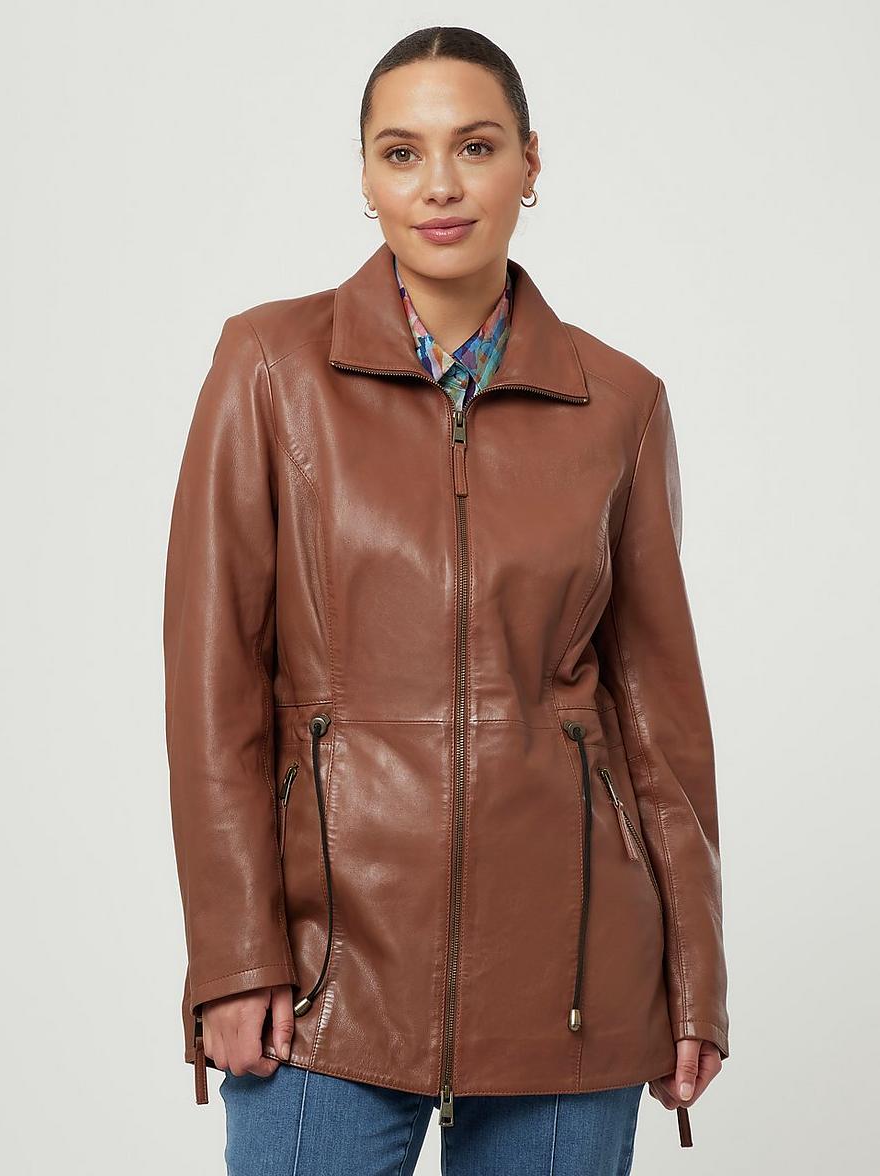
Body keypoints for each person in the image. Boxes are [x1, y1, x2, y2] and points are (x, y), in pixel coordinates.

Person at [163, 24, 730, 1176]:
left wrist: (695, 980)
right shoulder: (269, 369)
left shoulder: (620, 404)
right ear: (365, 176)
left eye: (474, 147)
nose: (439, 185)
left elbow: (659, 723)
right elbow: (213, 683)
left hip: (574, 979)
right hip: (325, 973)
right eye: (401, 151)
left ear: (530, 162)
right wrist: (233, 957)